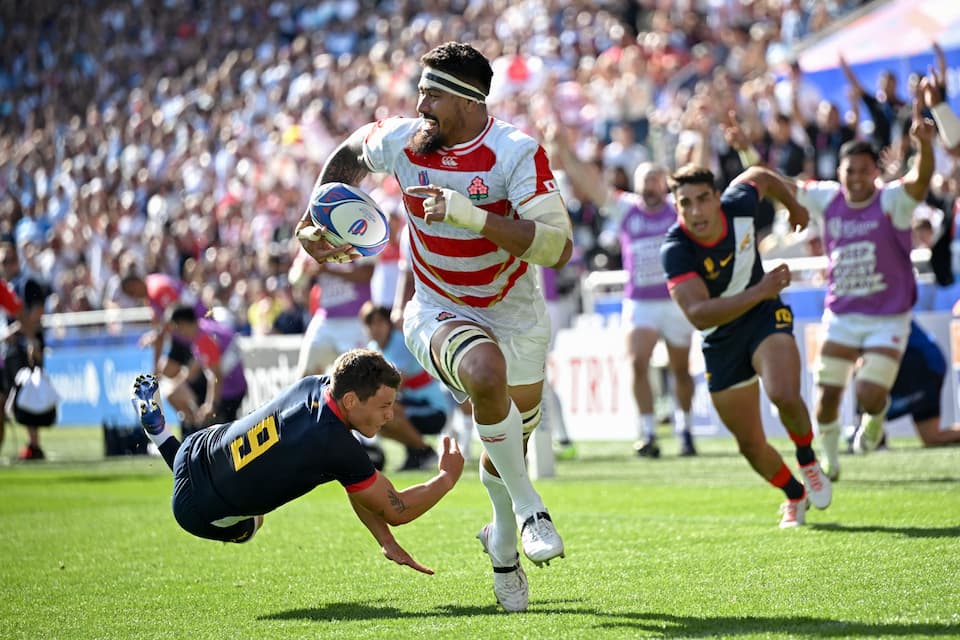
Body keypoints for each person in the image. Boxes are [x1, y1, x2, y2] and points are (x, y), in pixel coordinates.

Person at [295, 42, 572, 612]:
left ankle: (501, 541)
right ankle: (529, 509)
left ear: (470, 102)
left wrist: (469, 213)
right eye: (420, 90)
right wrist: (317, 215)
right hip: (436, 305)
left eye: (433, 93)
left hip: (515, 312)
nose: (420, 103)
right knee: (483, 372)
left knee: (505, 448)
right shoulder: (403, 139)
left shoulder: (514, 152)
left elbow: (557, 247)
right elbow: (349, 153)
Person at [130, 348, 464, 574]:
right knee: (251, 525)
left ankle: (160, 434)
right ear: (351, 400)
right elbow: (397, 510)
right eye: (384, 406)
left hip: (197, 447)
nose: (390, 415)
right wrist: (446, 478)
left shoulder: (315, 386)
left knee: (226, 476)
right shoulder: (335, 445)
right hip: (198, 511)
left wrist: (386, 541)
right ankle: (159, 435)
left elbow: (354, 478)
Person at [661, 164, 832, 528]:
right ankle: (795, 494)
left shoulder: (739, 204)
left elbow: (761, 175)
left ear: (718, 198)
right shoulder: (676, 249)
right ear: (676, 208)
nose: (695, 211)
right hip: (720, 338)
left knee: (783, 393)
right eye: (685, 203)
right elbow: (699, 315)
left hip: (763, 316)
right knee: (750, 444)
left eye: (703, 199)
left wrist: (793, 205)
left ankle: (807, 458)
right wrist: (760, 289)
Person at [793, 98, 935, 480]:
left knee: (870, 393)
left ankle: (875, 418)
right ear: (838, 171)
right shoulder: (826, 198)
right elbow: (781, 187)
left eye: (863, 170)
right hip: (841, 314)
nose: (855, 177)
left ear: (875, 172)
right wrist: (745, 153)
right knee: (825, 402)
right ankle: (829, 458)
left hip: (888, 315)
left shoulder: (891, 201)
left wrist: (925, 146)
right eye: (849, 170)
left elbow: (921, 181)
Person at [548, 127, 696, 458]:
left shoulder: (678, 209)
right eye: (644, 185)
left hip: (675, 300)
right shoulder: (627, 209)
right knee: (637, 363)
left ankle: (684, 429)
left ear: (664, 184)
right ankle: (647, 432)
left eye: (655, 185)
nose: (649, 191)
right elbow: (591, 184)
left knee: (681, 369)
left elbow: (699, 175)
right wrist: (565, 150)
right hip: (641, 301)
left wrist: (698, 136)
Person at [360, 301, 452, 471]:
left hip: (433, 410)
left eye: (380, 322)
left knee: (384, 412)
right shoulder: (373, 347)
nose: (376, 328)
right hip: (411, 405)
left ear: (389, 324)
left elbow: (395, 385)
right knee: (377, 417)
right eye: (370, 323)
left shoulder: (400, 342)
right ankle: (416, 454)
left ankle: (425, 452)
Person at [853, 319, 960, 447]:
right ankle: (871, 436)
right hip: (920, 362)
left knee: (864, 376)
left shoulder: (875, 309)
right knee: (932, 438)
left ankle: (872, 438)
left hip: (920, 363)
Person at [0, 242, 52, 460]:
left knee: (29, 396)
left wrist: (24, 335)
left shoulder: (27, 282)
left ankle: (34, 444)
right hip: (10, 350)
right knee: (8, 398)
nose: (5, 265)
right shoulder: (8, 285)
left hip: (25, 348)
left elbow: (37, 311)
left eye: (8, 261)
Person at [166, 305, 248, 425]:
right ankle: (194, 428)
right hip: (232, 387)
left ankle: (194, 429)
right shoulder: (203, 327)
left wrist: (211, 405)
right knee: (174, 392)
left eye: (177, 329)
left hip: (229, 391)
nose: (179, 335)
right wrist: (178, 383)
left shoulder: (204, 338)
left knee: (221, 436)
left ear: (183, 324)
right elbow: (198, 364)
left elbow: (216, 375)